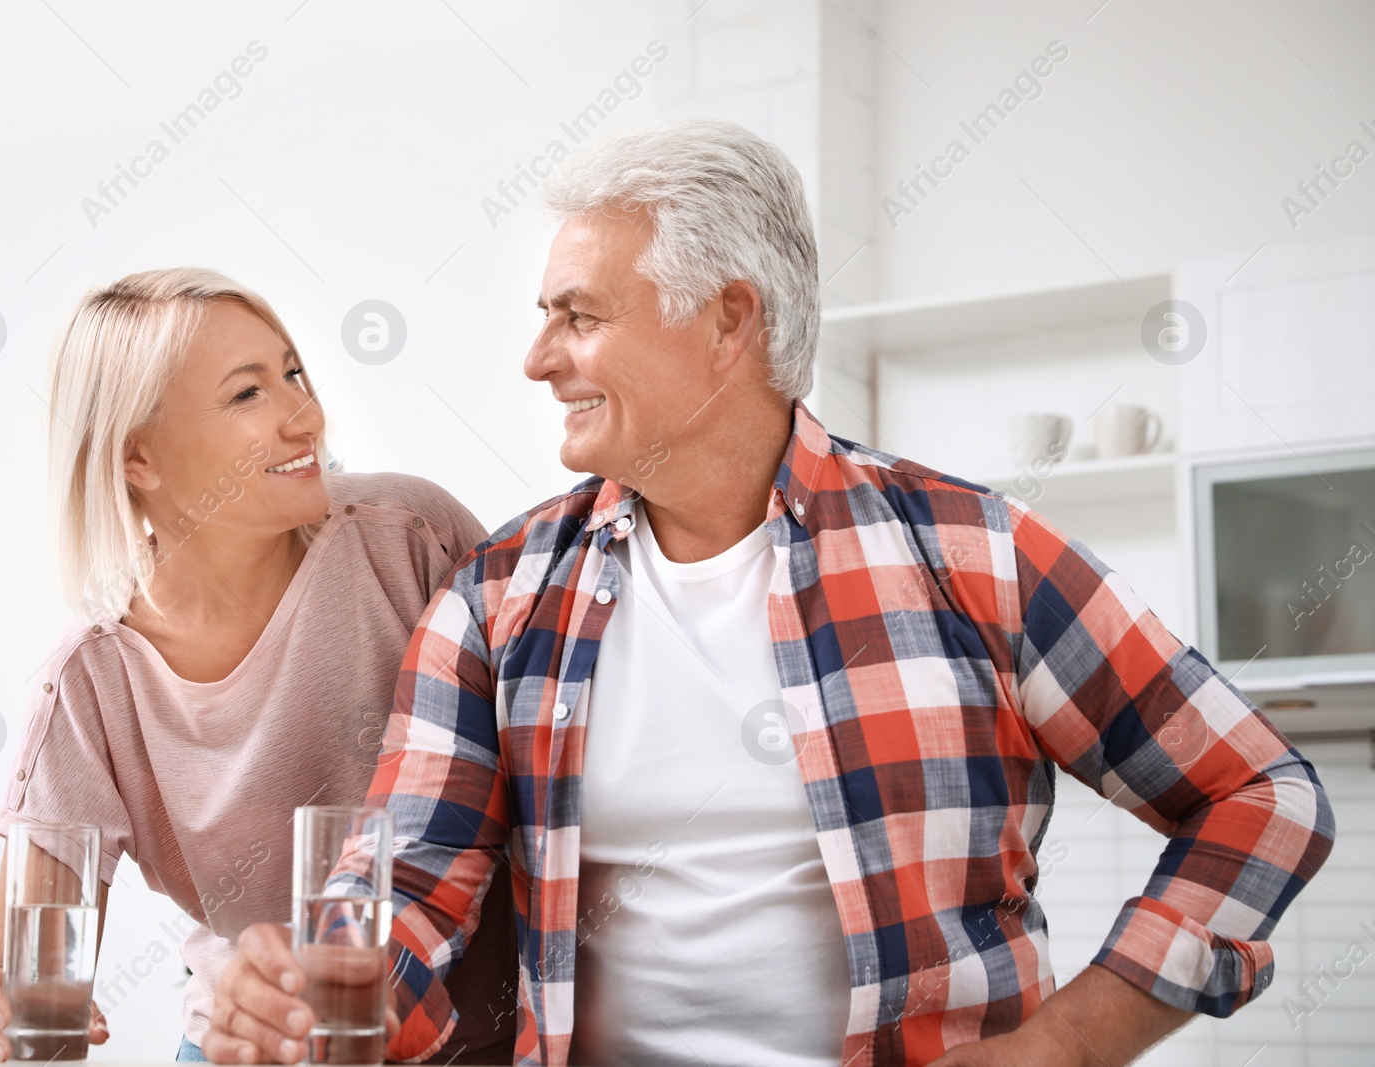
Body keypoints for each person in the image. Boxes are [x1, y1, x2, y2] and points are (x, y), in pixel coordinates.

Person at [203, 120, 1336, 1067]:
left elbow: (1259, 793)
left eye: (579, 315)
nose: (537, 358)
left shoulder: (972, 554)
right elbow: (404, 884)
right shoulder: (499, 599)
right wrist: (320, 981)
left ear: (729, 322)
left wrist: (1071, 1040)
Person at [0, 268, 516, 1064]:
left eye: (294, 375)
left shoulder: (410, 536)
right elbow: (35, 989)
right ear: (139, 457)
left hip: (479, 1030)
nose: (306, 418)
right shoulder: (94, 677)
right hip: (253, 1044)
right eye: (247, 395)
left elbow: (545, 760)